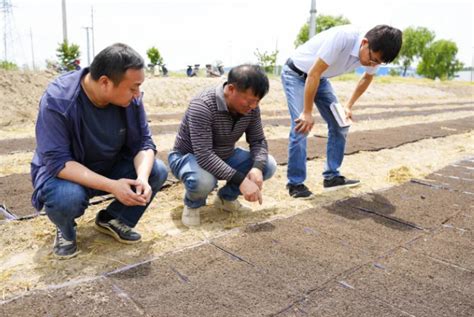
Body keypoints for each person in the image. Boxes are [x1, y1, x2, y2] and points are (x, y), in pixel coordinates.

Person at [30, 43, 168, 259]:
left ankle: (114, 219)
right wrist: (113, 186)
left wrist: (141, 178)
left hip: (108, 165)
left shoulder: (131, 100)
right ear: (105, 82)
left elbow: (143, 143)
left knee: (156, 171)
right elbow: (58, 162)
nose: (137, 94)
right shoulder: (59, 100)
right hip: (68, 175)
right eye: (133, 88)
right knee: (66, 198)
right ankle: (65, 230)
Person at [282, 24, 402, 198]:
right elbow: (313, 73)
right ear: (364, 42)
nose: (373, 64)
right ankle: (295, 183)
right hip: (297, 74)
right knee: (301, 125)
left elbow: (367, 77)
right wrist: (307, 112)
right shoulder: (343, 38)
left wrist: (348, 106)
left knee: (341, 123)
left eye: (378, 62)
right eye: (372, 59)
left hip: (321, 78)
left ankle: (331, 177)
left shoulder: (374, 51)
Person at [168, 64, 277, 227]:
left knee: (267, 165)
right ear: (231, 89)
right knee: (204, 180)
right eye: (249, 101)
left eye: (257, 101)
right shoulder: (203, 105)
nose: (253, 106)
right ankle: (192, 204)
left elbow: (258, 141)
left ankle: (226, 199)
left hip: (225, 155)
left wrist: (257, 168)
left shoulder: (251, 108)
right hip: (189, 158)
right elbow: (204, 155)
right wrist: (242, 180)